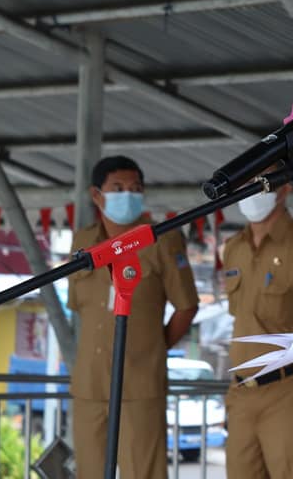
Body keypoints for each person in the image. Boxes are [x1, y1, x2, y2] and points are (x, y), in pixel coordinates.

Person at [67, 156, 199, 479]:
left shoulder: (163, 239)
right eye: (118, 188)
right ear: (97, 195)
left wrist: (152, 349)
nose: (128, 194)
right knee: (90, 472)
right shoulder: (83, 241)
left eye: (135, 188)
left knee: (144, 472)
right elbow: (78, 305)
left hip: (139, 385)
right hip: (90, 385)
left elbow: (187, 305)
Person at [223, 186, 293, 479]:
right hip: (241, 390)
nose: (249, 193)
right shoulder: (233, 248)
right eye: (243, 185)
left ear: (284, 188)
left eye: (260, 183)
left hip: (290, 389)